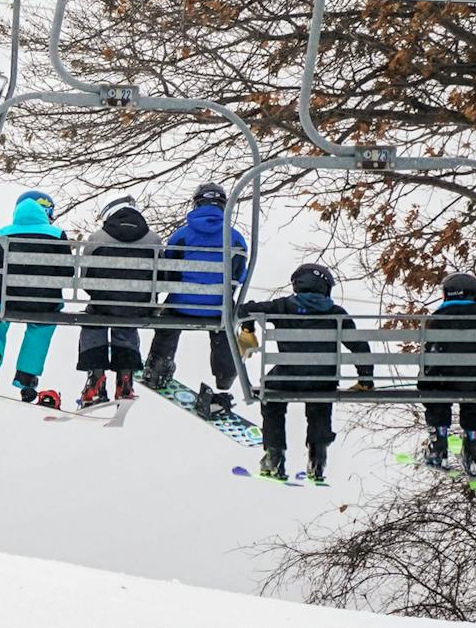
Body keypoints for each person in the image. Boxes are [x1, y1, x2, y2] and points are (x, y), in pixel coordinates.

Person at [237, 263, 374, 482]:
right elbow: (359, 346)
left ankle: (274, 454)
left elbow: (244, 310)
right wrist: (365, 378)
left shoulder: (281, 306)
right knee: (320, 404)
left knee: (272, 403)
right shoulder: (336, 313)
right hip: (322, 379)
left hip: (286, 378)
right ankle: (317, 458)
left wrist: (247, 331)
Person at [139, 181, 248, 396]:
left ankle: (158, 368)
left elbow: (168, 271)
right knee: (226, 325)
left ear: (196, 204)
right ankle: (225, 375)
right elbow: (239, 273)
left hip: (182, 303)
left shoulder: (181, 235)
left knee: (168, 321)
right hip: (218, 306)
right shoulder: (235, 237)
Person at [0, 189, 70, 405]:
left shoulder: (2, 233)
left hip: (9, 299)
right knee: (41, 326)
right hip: (45, 303)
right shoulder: (57, 235)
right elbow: (66, 274)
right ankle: (26, 377)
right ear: (46, 212)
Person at [76, 195, 160, 405]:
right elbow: (162, 278)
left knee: (93, 320)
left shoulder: (97, 238)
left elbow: (86, 278)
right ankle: (125, 378)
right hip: (138, 305)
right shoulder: (153, 240)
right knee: (127, 320)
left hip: (103, 304)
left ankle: (96, 376)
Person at [419, 271, 476, 476]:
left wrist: (424, 382)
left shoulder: (437, 319)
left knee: (435, 393)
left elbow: (430, 355)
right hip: (474, 383)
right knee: (474, 400)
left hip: (444, 382)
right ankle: (473, 446)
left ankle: (438, 443)